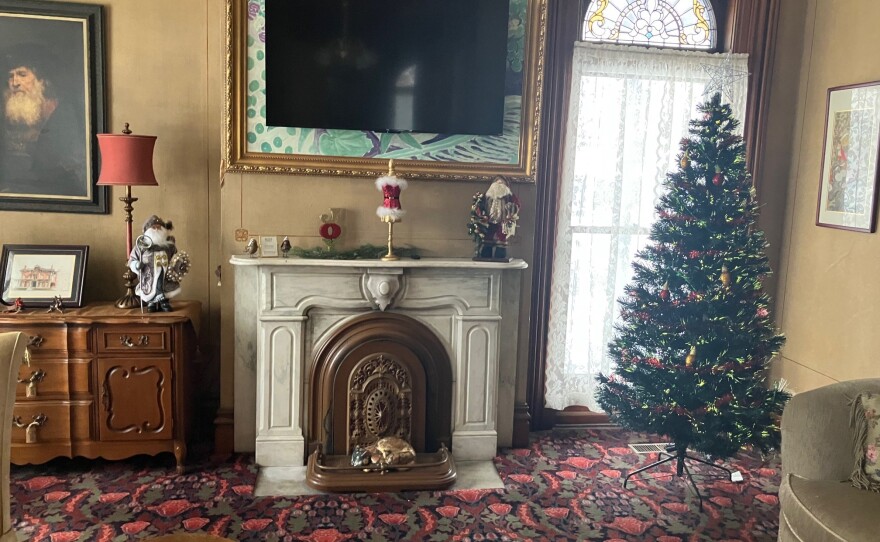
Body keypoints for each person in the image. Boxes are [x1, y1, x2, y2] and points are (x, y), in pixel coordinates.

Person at [0, 43, 85, 196]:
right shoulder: (19, 117)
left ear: (43, 81)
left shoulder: (66, 114)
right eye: (10, 76)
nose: (14, 83)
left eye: (22, 74)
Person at [129, 216, 185, 313]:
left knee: (163, 285)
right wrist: (136, 265)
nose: (156, 230)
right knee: (151, 287)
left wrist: (179, 264)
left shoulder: (169, 246)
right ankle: (152, 303)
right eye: (153, 227)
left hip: (165, 274)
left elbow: (175, 258)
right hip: (148, 275)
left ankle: (164, 302)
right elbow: (132, 259)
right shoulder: (141, 245)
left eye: (159, 227)